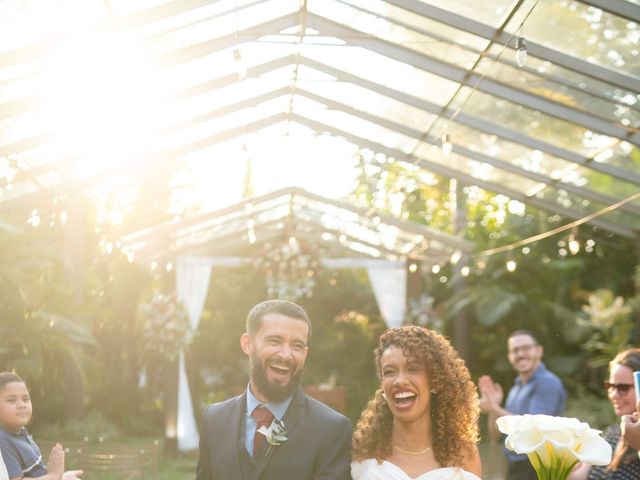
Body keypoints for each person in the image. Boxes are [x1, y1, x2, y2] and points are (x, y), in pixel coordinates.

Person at [195, 299, 352, 480]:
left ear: (305, 354)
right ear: (247, 344)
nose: (286, 355)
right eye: (274, 341)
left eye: (297, 346)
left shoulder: (332, 429)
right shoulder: (214, 419)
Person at [351, 325, 482, 480]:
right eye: (389, 372)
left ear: (434, 380)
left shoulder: (464, 454)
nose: (399, 381)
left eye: (413, 369)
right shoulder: (361, 450)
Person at [478, 329, 566, 480]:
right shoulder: (515, 388)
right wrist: (494, 407)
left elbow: (534, 428)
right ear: (509, 356)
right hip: (515, 468)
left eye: (526, 348)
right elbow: (495, 436)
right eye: (515, 350)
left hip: (538, 468)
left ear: (539, 351)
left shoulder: (547, 383)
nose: (520, 354)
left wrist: (494, 407)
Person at [569, 348, 640, 480]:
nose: (614, 395)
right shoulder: (613, 433)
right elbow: (578, 476)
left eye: (623, 388)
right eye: (610, 386)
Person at [0, 372, 82, 480]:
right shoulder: (3, 440)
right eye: (11, 400)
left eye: (25, 399)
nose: (22, 405)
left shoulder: (21, 433)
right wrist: (53, 476)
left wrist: (61, 477)